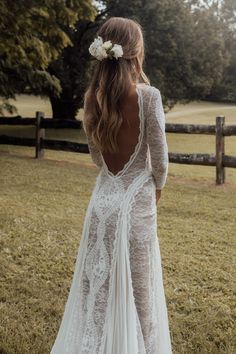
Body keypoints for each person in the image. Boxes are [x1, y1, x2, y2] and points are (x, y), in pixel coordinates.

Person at [50, 17, 172, 354]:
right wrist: (156, 186)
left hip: (102, 203)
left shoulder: (92, 97)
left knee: (97, 293)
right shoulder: (149, 97)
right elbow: (160, 160)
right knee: (141, 295)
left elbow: (96, 157)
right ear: (135, 52)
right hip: (136, 204)